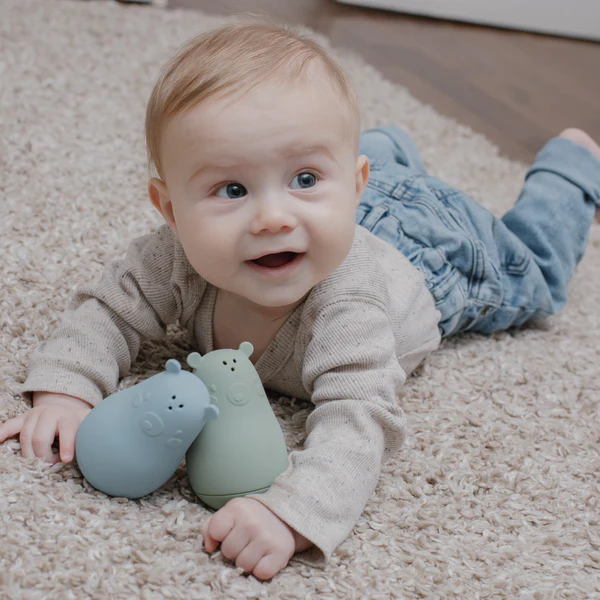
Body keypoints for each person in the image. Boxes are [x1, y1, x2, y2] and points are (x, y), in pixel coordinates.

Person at [1, 18, 600, 581]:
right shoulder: (173, 255)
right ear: (170, 210)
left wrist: (294, 511)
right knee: (312, 158)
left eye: (303, 179)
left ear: (352, 185)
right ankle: (373, 158)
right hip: (355, 203)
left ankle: (570, 168)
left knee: (537, 282)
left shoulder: (349, 307)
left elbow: (360, 416)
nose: (272, 217)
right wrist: (66, 390)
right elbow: (108, 309)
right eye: (232, 189)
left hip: (433, 250)